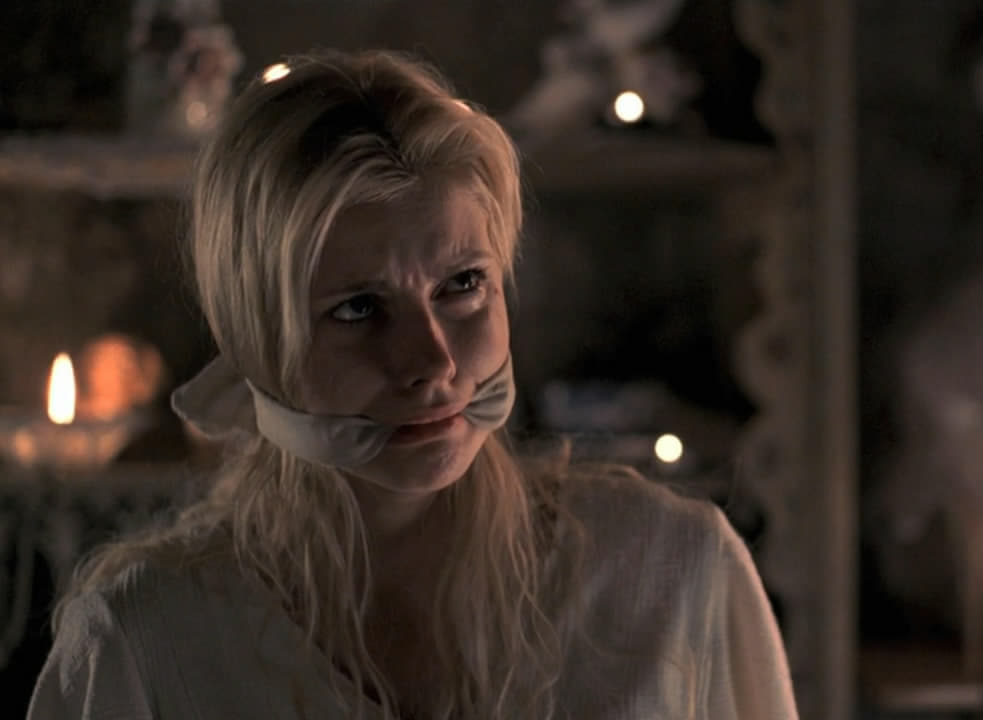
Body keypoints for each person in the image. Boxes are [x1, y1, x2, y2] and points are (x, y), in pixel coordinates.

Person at [27, 49, 796, 720]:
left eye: (463, 284)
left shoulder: (672, 573)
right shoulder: (147, 640)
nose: (431, 363)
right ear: (255, 340)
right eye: (359, 309)